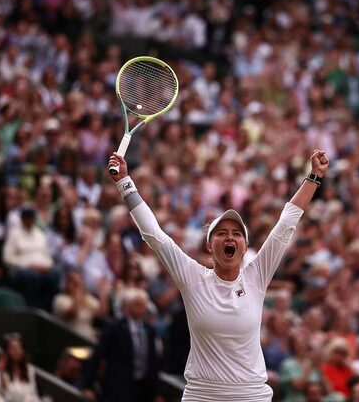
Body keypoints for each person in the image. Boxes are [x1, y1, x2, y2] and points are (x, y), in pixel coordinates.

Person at [106, 148, 329, 401]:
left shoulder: (257, 276)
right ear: (210, 245)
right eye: (221, 233)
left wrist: (314, 176)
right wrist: (125, 182)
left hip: (250, 396)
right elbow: (153, 235)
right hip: (201, 395)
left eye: (237, 233)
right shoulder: (192, 277)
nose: (230, 237)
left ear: (245, 246)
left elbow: (287, 223)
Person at [82, 288, 160, 402]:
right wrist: (87, 385)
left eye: (144, 305)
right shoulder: (115, 328)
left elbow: (152, 362)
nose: (142, 309)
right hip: (117, 386)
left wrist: (156, 393)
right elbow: (98, 356)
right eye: (137, 305)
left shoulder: (149, 331)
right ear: (127, 306)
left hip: (142, 389)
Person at [0, 333, 40, 402]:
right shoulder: (1, 371)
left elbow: (33, 393)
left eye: (19, 348)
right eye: (13, 348)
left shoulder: (29, 369)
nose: (17, 351)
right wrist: (1, 374)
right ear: (6, 352)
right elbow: (3, 395)